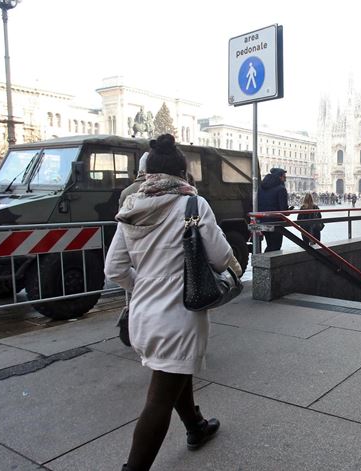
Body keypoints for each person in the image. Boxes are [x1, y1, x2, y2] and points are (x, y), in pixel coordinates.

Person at [104, 134, 231, 471]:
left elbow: (113, 268)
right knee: (159, 398)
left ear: (147, 174)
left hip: (141, 316)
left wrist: (142, 284)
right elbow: (220, 259)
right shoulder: (193, 205)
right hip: (179, 316)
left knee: (173, 373)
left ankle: (196, 427)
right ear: (182, 174)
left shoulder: (130, 209)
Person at [258, 167, 290, 252]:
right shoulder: (281, 189)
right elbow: (283, 210)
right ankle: (266, 263)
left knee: (270, 245)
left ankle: (263, 262)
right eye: (284, 176)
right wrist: (288, 211)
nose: (285, 179)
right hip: (276, 222)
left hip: (263, 221)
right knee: (275, 246)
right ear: (279, 177)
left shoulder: (261, 188)